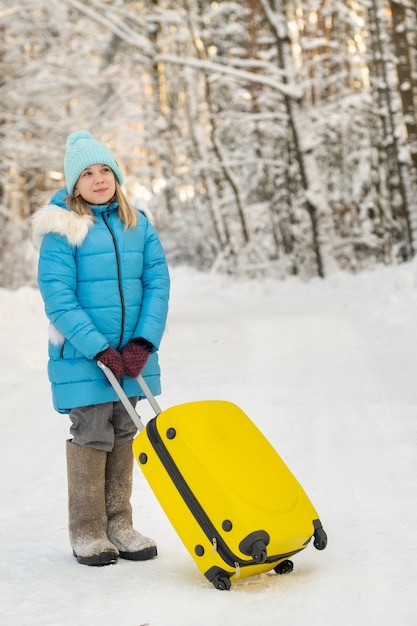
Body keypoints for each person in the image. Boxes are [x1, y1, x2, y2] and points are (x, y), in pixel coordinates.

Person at [32, 130, 170, 566]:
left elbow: (157, 282)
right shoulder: (63, 228)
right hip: (83, 355)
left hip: (132, 354)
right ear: (75, 185)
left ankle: (120, 523)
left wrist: (143, 341)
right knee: (93, 432)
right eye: (87, 173)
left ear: (116, 175)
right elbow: (58, 295)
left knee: (126, 430)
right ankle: (88, 530)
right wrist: (97, 348)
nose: (98, 179)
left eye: (105, 170)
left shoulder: (138, 223)